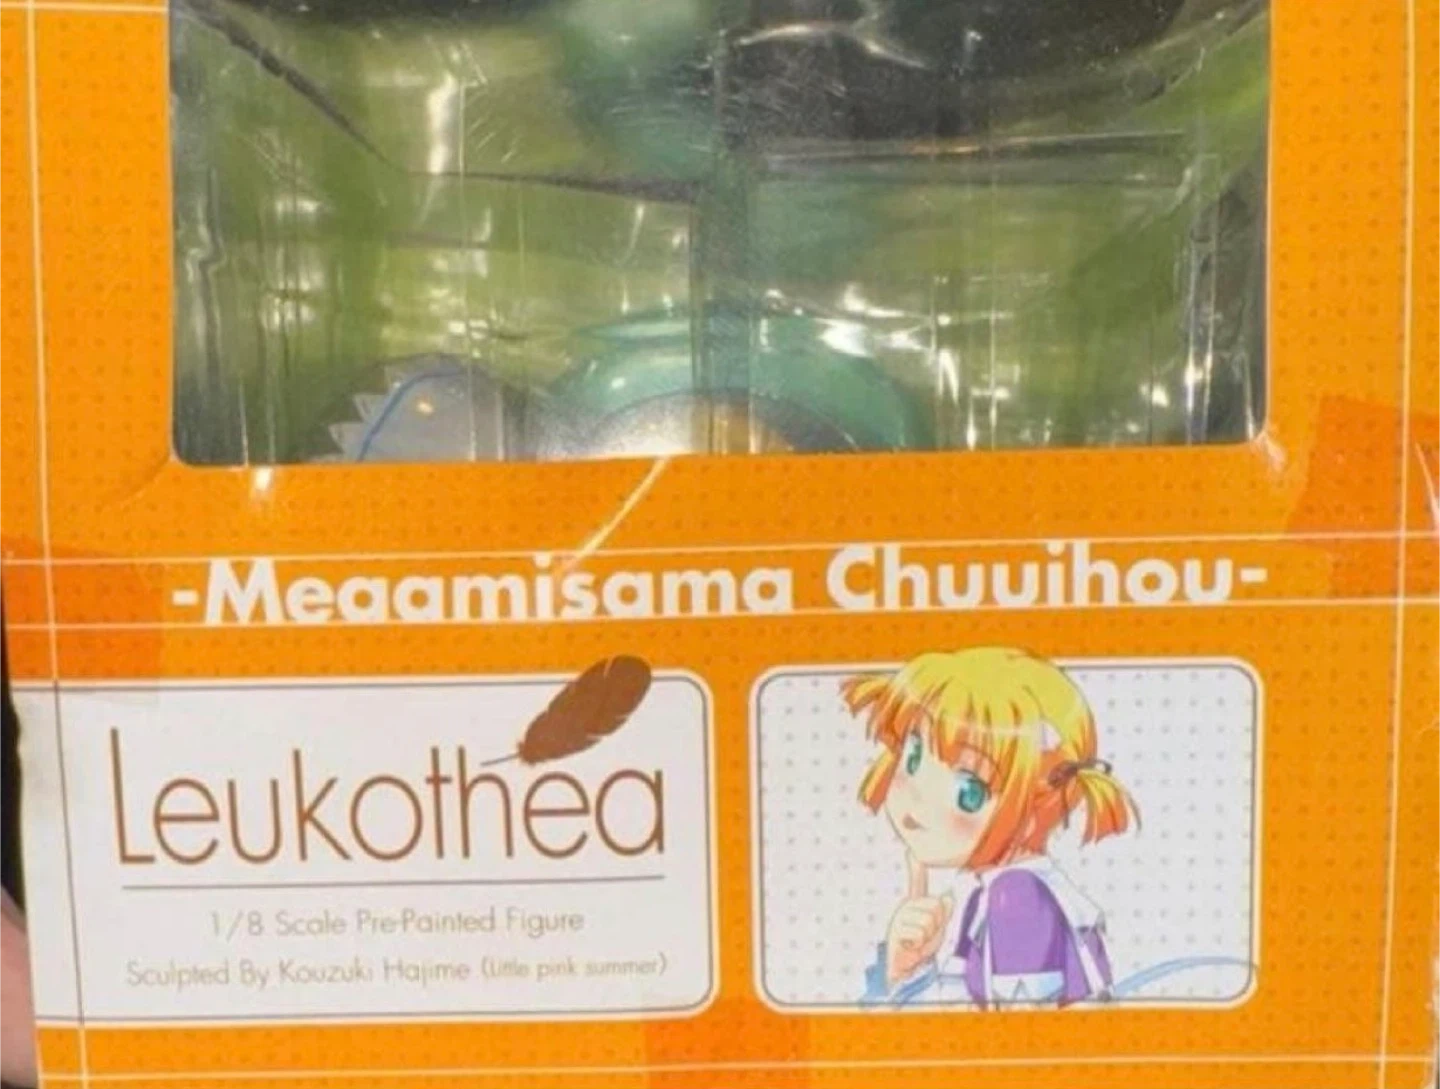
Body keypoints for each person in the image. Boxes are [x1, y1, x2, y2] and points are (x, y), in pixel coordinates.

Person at [846, 646, 1137, 1009]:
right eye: (914, 756)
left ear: (1034, 809)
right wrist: (904, 971)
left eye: (968, 790)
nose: (920, 795)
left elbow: (1013, 1035)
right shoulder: (990, 892)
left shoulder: (1017, 897)